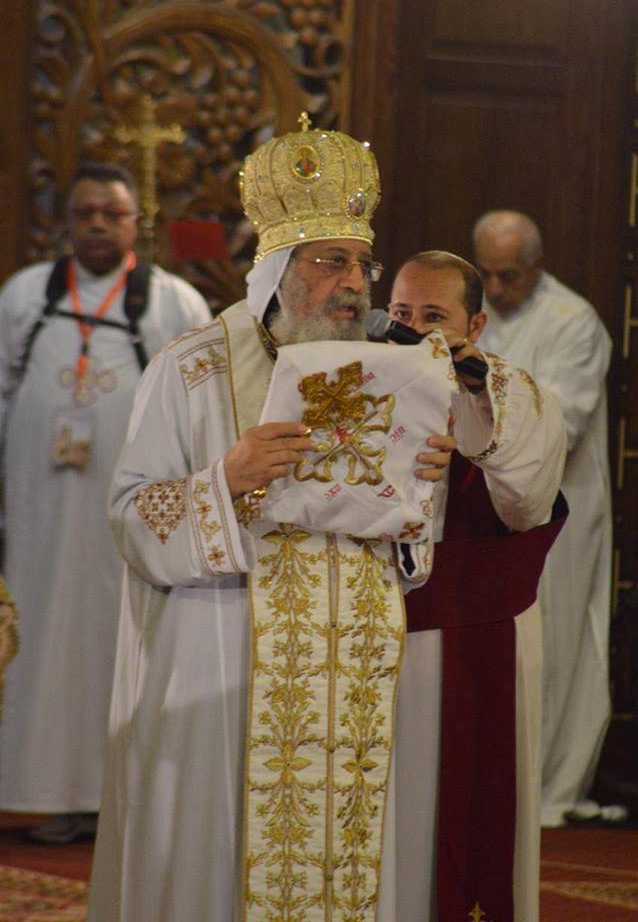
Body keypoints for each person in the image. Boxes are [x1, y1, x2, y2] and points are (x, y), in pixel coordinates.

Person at [88, 123, 566, 922]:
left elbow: (432, 514)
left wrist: (425, 484)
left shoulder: (392, 369)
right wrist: (225, 481)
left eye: (362, 264)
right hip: (228, 668)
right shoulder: (193, 370)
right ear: (278, 268)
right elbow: (132, 518)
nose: (355, 283)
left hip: (359, 676)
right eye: (331, 262)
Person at [0, 162, 212, 843]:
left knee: (115, 639)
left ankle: (112, 797)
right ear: (66, 221)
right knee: (36, 637)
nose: (97, 224)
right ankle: (35, 789)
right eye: (84, 212)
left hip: (126, 526)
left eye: (111, 213)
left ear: (135, 223)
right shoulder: (25, 294)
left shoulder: (175, 302)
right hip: (36, 516)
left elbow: (202, 411)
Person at [387, 251, 567, 921]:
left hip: (473, 636)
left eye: (433, 316)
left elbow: (526, 504)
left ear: (475, 324)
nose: (412, 329)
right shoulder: (360, 387)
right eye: (401, 313)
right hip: (377, 635)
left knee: (464, 806)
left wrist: (471, 395)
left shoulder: (513, 395)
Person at [473, 209, 613, 828]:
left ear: (537, 266)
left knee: (550, 643)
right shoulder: (472, 313)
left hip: (557, 513)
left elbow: (561, 421)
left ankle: (546, 784)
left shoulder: (572, 321)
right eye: (486, 274)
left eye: (509, 276)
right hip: (481, 512)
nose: (496, 289)